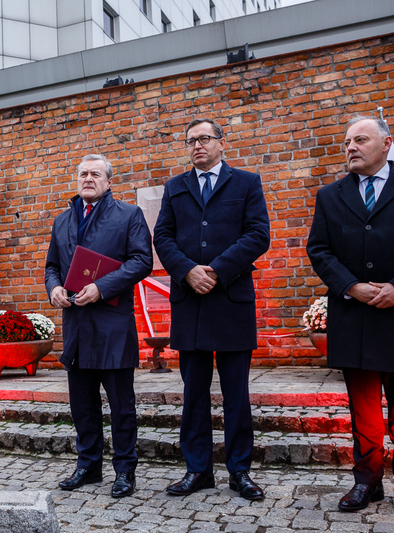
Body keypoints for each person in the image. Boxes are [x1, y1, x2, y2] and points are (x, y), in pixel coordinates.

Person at [306, 115, 394, 520]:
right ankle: (366, 480)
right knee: (363, 406)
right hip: (353, 314)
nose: (350, 147)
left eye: (360, 139)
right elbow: (320, 250)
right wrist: (351, 286)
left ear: (386, 144)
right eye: (347, 141)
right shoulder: (330, 195)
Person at [153, 118, 270, 500]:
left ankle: (240, 471)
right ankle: (198, 470)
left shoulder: (246, 183)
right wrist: (187, 271)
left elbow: (258, 234)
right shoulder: (175, 187)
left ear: (221, 142)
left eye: (204, 138)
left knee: (236, 395)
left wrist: (217, 270)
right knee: (194, 395)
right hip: (191, 304)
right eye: (191, 141)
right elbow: (162, 237)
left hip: (232, 301)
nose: (197, 145)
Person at [45, 154, 153, 498]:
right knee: (82, 405)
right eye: (83, 174)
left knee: (121, 406)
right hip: (76, 326)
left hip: (112, 326)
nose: (88, 178)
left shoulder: (128, 215)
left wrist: (101, 287)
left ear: (108, 181)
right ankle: (88, 466)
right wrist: (54, 289)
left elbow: (142, 261)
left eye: (95, 174)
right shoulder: (62, 220)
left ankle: (125, 470)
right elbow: (51, 266)